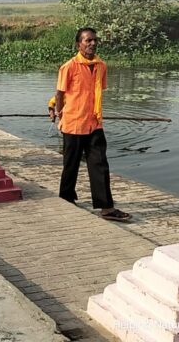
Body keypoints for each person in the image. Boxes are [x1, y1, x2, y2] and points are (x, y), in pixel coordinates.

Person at [54, 27, 131, 221]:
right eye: (88, 40)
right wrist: (59, 113)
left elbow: (94, 93)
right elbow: (60, 93)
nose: (92, 44)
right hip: (73, 122)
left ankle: (106, 207)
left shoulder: (101, 66)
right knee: (70, 164)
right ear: (78, 44)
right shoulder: (69, 67)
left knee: (99, 164)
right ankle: (66, 197)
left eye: (95, 40)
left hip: (94, 122)